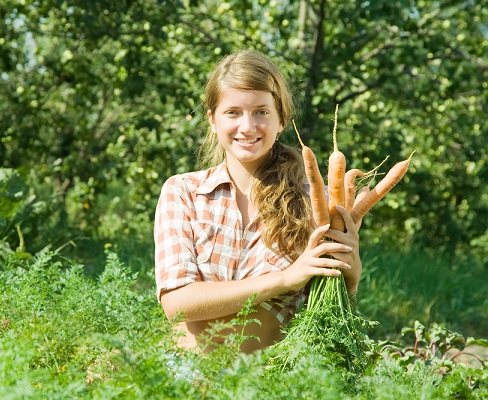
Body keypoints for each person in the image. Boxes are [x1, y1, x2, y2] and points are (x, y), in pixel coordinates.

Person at [154, 50, 362, 353]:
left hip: (269, 378)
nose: (248, 126)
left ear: (281, 120)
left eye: (261, 112)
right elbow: (177, 305)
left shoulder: (316, 200)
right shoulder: (183, 192)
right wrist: (284, 280)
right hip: (184, 373)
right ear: (212, 120)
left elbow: (334, 307)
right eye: (233, 112)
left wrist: (351, 275)